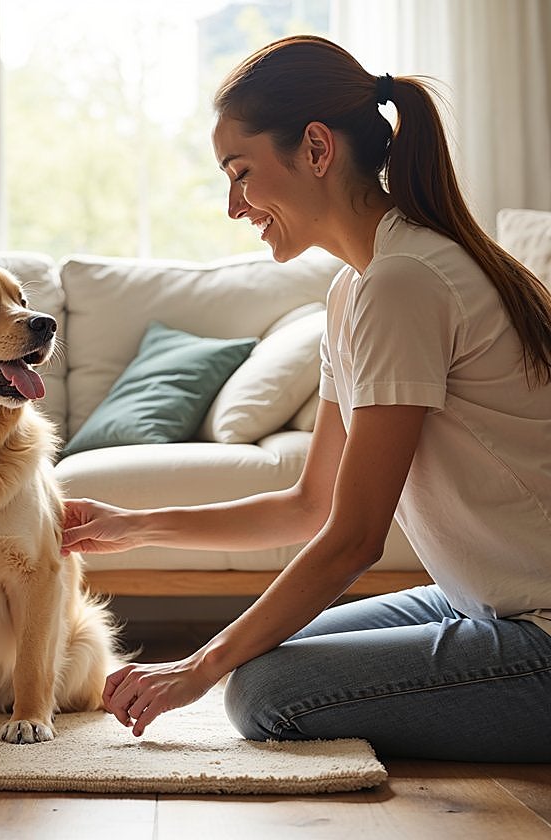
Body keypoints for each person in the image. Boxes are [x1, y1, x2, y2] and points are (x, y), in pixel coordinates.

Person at [61, 35, 551, 762]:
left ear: (316, 148)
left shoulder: (404, 283)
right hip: (479, 601)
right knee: (260, 658)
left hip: (536, 632)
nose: (235, 207)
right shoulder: (356, 288)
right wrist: (134, 525)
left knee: (262, 692)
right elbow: (310, 504)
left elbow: (353, 540)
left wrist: (195, 670)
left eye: (241, 173)